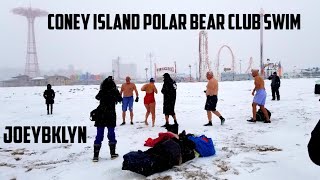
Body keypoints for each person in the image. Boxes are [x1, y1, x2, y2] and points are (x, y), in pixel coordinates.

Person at [93, 76, 122, 162]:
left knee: (99, 135)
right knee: (111, 133)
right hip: (110, 114)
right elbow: (120, 99)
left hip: (101, 114)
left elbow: (97, 97)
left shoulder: (102, 91)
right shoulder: (114, 91)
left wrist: (104, 92)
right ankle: (113, 154)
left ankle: (95, 156)